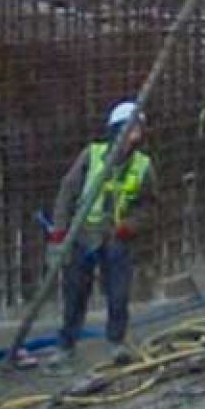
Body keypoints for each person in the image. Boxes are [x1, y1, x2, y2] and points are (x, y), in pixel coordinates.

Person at [56, 100, 154, 364]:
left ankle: (116, 342)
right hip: (83, 234)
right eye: (131, 128)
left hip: (115, 237)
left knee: (118, 292)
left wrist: (129, 226)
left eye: (138, 129)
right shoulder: (92, 155)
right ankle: (66, 344)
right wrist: (60, 229)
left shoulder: (143, 166)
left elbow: (148, 206)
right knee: (75, 291)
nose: (136, 134)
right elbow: (68, 191)